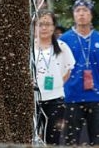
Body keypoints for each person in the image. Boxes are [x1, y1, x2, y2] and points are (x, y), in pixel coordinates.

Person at [60, 0, 99, 146]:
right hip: (71, 96)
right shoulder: (64, 39)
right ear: (73, 15)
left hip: (96, 97)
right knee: (71, 140)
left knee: (98, 140)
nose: (81, 14)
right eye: (78, 11)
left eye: (85, 10)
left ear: (91, 15)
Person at [34, 10, 75, 145]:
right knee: (33, 138)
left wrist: (56, 85)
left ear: (53, 27)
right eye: (40, 24)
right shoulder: (29, 48)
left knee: (53, 139)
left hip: (56, 100)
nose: (44, 28)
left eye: (47, 24)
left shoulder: (62, 47)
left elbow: (67, 70)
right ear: (34, 26)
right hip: (33, 100)